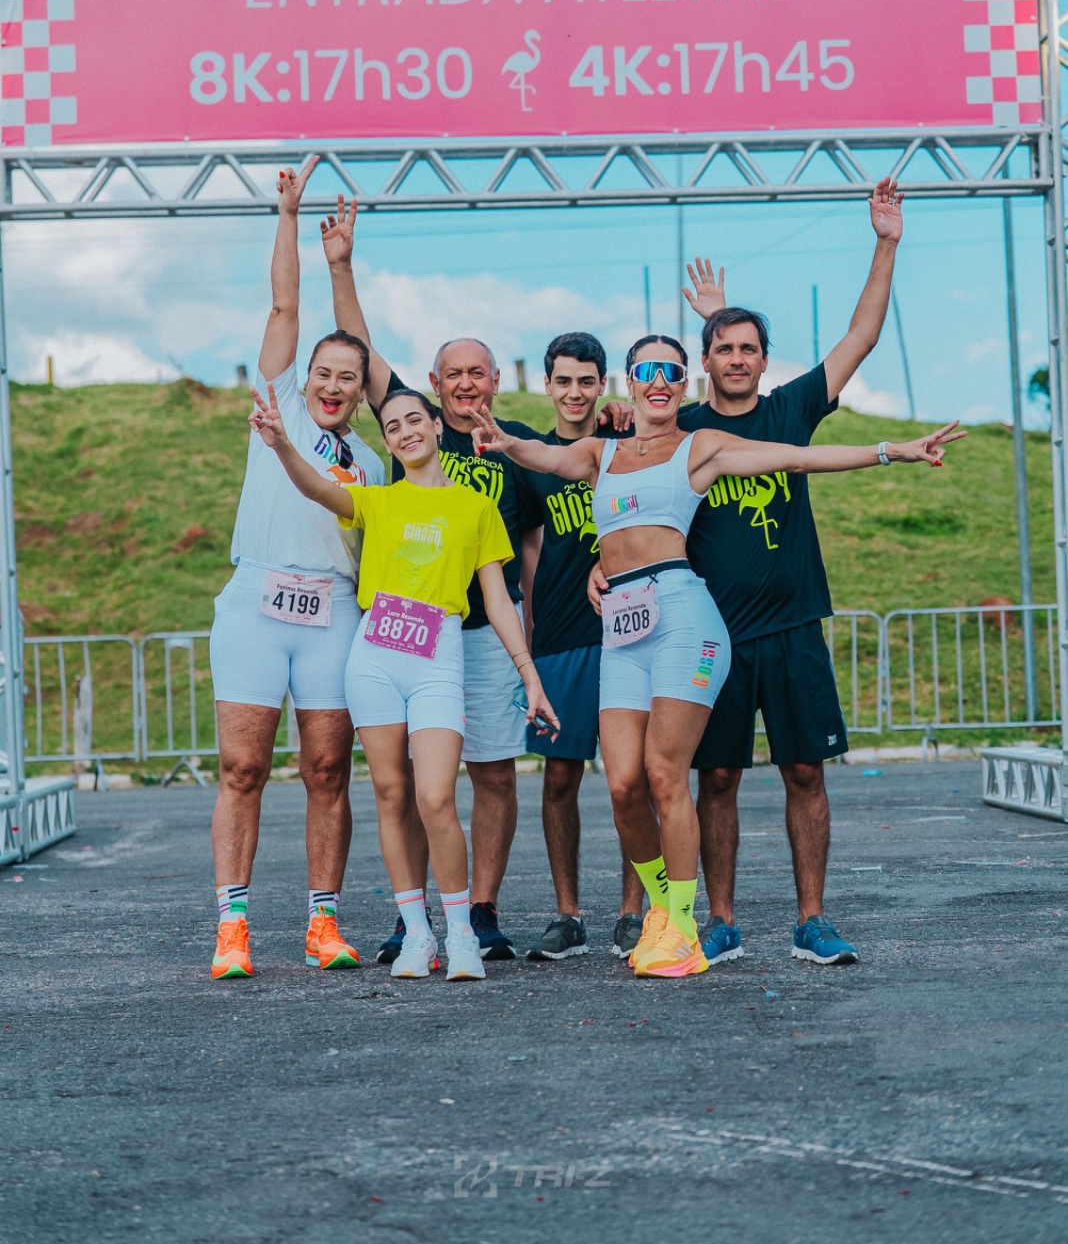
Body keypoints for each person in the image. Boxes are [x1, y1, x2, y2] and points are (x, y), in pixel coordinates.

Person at [475, 333, 963, 979]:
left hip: (682, 617)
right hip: (622, 625)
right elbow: (549, 457)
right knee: (621, 784)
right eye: (648, 369)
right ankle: (661, 911)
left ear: (686, 383)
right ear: (629, 381)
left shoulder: (698, 447)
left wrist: (890, 450)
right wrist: (507, 443)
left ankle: (679, 924)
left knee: (664, 775)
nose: (660, 380)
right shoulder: (603, 449)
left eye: (672, 371)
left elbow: (793, 457)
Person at [249, 381, 560, 980]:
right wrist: (284, 446)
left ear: (438, 427)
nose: (405, 432)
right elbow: (316, 487)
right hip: (374, 658)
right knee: (391, 795)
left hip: (438, 654)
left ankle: (461, 932)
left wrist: (530, 674)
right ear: (388, 442)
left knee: (435, 797)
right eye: (392, 427)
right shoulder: (379, 500)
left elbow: (498, 601)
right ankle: (417, 933)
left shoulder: (475, 506)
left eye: (415, 420)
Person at [678, 177, 906, 967]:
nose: (736, 359)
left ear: (763, 361)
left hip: (794, 626)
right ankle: (722, 921)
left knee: (805, 770)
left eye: (748, 349)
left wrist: (884, 244)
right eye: (723, 347)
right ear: (704, 358)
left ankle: (813, 919)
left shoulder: (789, 411)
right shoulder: (681, 428)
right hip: (713, 637)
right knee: (716, 780)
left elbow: (861, 336)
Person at [320, 197, 542, 961]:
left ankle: (476, 910)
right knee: (409, 784)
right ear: (431, 385)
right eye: (453, 374)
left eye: (478, 371)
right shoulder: (410, 432)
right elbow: (363, 350)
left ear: (494, 379)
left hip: (481, 637)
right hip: (404, 635)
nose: (466, 383)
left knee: (491, 778)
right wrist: (343, 265)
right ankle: (409, 916)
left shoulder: (521, 447)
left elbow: (538, 541)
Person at [208, 157, 385, 982]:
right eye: (323, 372)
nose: (332, 385)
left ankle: (323, 924)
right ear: (303, 376)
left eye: (348, 378)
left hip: (333, 615)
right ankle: (232, 927)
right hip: (256, 604)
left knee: (326, 770)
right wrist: (289, 216)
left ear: (359, 391)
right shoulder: (273, 405)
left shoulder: (378, 466)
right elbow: (285, 304)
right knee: (242, 767)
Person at [522, 333, 645, 963]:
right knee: (561, 777)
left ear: (603, 386)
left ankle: (633, 910)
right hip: (562, 639)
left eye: (586, 381)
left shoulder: (624, 446)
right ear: (548, 385)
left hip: (630, 633)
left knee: (631, 779)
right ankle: (567, 913)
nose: (575, 392)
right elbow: (527, 555)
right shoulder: (534, 458)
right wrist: (530, 644)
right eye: (564, 380)